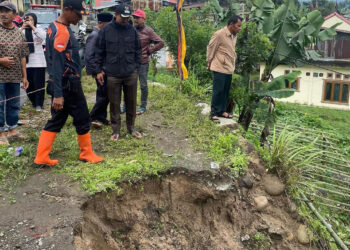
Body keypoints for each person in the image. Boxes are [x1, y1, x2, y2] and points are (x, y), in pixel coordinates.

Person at [33, 0, 104, 166]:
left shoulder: (53, 26)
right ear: (67, 10)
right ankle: (86, 153)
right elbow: (57, 64)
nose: (79, 19)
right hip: (67, 83)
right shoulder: (61, 32)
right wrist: (58, 94)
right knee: (83, 118)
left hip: (62, 82)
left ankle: (41, 157)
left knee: (57, 118)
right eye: (77, 14)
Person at [95, 4, 142, 141]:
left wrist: (136, 67)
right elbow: (99, 51)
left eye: (128, 18)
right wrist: (99, 70)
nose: (125, 20)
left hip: (130, 72)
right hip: (113, 73)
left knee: (131, 101)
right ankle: (115, 130)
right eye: (123, 17)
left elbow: (138, 50)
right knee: (114, 103)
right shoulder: (106, 31)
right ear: (116, 15)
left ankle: (131, 127)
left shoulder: (132, 31)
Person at [0, 1, 29, 145]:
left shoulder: (19, 33)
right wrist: (1, 60)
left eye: (7, 11)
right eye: (1, 11)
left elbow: (23, 56)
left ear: (14, 15)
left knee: (14, 104)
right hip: (0, 77)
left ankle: (12, 130)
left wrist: (24, 76)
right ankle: (0, 133)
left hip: (15, 76)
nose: (3, 14)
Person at [206, 15, 242, 122]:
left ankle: (221, 111)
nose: (239, 28)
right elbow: (211, 49)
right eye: (238, 26)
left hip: (229, 68)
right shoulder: (219, 34)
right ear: (231, 24)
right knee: (218, 91)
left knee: (225, 91)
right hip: (219, 67)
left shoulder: (234, 36)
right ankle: (213, 113)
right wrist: (209, 62)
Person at [131, 9, 164, 115]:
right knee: (129, 84)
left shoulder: (148, 31)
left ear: (143, 19)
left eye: (138, 17)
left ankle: (143, 106)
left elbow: (160, 42)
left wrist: (150, 50)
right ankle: (127, 105)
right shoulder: (130, 29)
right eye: (134, 17)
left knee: (143, 85)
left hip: (143, 62)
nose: (135, 19)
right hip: (130, 62)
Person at [85, 12, 113, 128]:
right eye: (109, 24)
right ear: (100, 23)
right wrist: (97, 72)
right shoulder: (95, 35)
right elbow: (89, 55)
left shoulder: (102, 34)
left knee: (102, 94)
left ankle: (100, 117)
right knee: (104, 95)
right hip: (99, 71)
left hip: (103, 69)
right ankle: (91, 117)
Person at [21, 13, 47, 112]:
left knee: (38, 84)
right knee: (28, 85)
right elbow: (16, 38)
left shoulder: (38, 29)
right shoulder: (21, 30)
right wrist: (22, 27)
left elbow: (44, 37)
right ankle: (33, 102)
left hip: (38, 62)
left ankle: (39, 104)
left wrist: (32, 27)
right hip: (26, 63)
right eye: (27, 19)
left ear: (35, 20)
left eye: (31, 19)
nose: (28, 21)